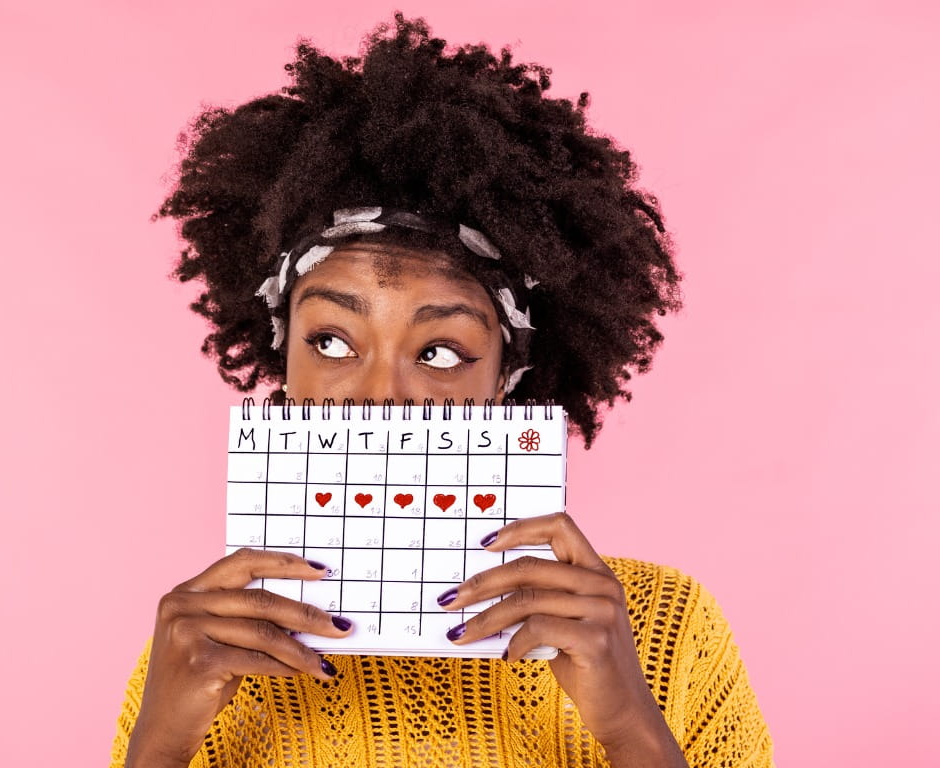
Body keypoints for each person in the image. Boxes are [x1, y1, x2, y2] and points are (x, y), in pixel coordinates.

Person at [111, 14, 774, 768]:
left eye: (440, 350)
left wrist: (629, 729)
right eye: (330, 341)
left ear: (507, 378)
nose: (379, 397)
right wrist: (158, 746)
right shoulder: (201, 648)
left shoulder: (665, 630)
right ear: (282, 362)